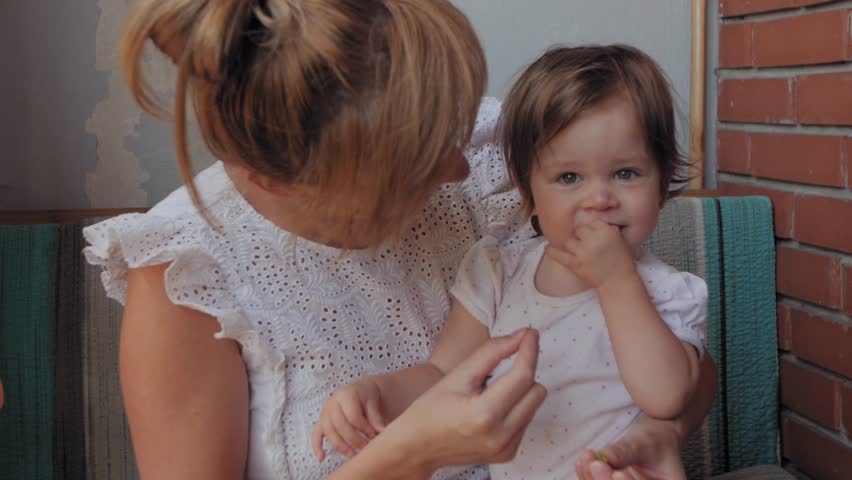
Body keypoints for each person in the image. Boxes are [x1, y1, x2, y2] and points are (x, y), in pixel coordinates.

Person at [82, 0, 716, 477]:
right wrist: (406, 454)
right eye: (416, 164)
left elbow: (678, 365)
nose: (464, 169)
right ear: (279, 180)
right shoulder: (189, 276)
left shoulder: (510, 148)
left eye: (456, 128)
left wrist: (666, 432)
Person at [313, 45, 710, 480]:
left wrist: (617, 281)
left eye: (626, 173)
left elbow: (667, 397)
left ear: (662, 179)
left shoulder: (669, 291)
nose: (599, 200)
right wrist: (377, 393)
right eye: (569, 178)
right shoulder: (498, 271)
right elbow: (441, 374)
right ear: (527, 193)